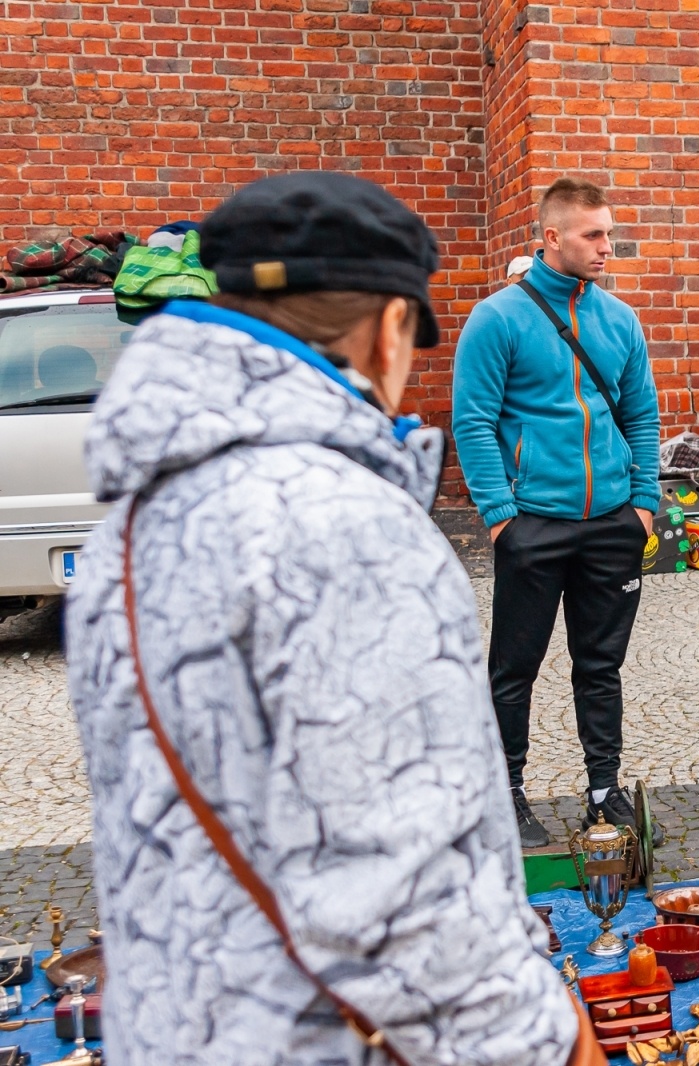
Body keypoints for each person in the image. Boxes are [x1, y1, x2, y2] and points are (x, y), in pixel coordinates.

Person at [65, 172, 596, 1065]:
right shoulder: (341, 523)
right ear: (390, 328)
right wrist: (545, 1043)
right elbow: (404, 895)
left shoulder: (131, 516)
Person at [453, 177, 661, 849]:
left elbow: (642, 417)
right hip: (533, 523)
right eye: (593, 235)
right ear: (551, 238)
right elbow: (474, 422)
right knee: (513, 668)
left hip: (611, 526)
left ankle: (605, 790)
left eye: (609, 233)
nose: (607, 247)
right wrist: (501, 517)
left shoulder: (619, 319)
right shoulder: (498, 318)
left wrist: (645, 505)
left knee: (600, 666)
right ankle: (504, 792)